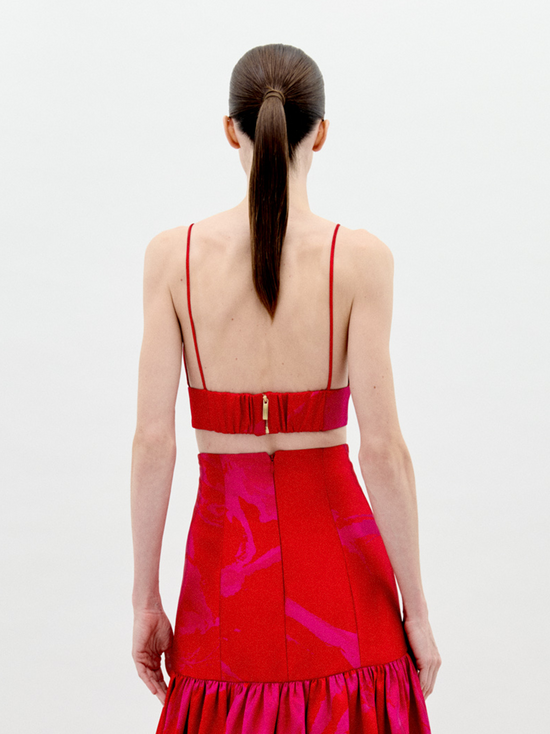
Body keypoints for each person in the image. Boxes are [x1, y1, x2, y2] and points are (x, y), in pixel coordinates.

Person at [131, 43, 441, 733]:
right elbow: (383, 450)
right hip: (344, 579)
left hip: (222, 568)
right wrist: (416, 612)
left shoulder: (171, 258)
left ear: (231, 129)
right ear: (320, 133)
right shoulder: (360, 260)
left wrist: (145, 600)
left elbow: (155, 440)